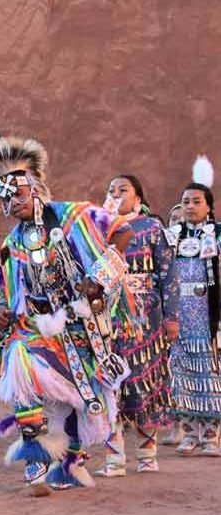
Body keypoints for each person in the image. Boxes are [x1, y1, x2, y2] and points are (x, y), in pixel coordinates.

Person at [0, 132, 136, 494]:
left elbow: (121, 230)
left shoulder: (74, 214)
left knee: (83, 401)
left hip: (82, 327)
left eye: (19, 194)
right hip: (38, 327)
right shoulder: (13, 243)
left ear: (36, 190)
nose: (15, 203)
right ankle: (34, 454)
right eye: (8, 200)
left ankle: (70, 463)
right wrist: (1, 312)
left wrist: (99, 277)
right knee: (18, 361)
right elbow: (6, 291)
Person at [96, 175, 178, 474]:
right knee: (110, 383)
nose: (116, 195)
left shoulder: (153, 229)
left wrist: (172, 318)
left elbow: (169, 276)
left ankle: (147, 457)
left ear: (138, 200)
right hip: (107, 318)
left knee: (145, 381)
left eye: (123, 190)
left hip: (146, 318)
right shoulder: (97, 229)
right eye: (111, 190)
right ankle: (114, 459)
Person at [168, 170, 221, 456]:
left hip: (207, 313)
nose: (190, 206)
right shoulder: (171, 237)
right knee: (182, 373)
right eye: (186, 201)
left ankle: (211, 437)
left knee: (210, 372)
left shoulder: (218, 235)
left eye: (196, 201)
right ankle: (189, 435)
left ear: (209, 207)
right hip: (179, 315)